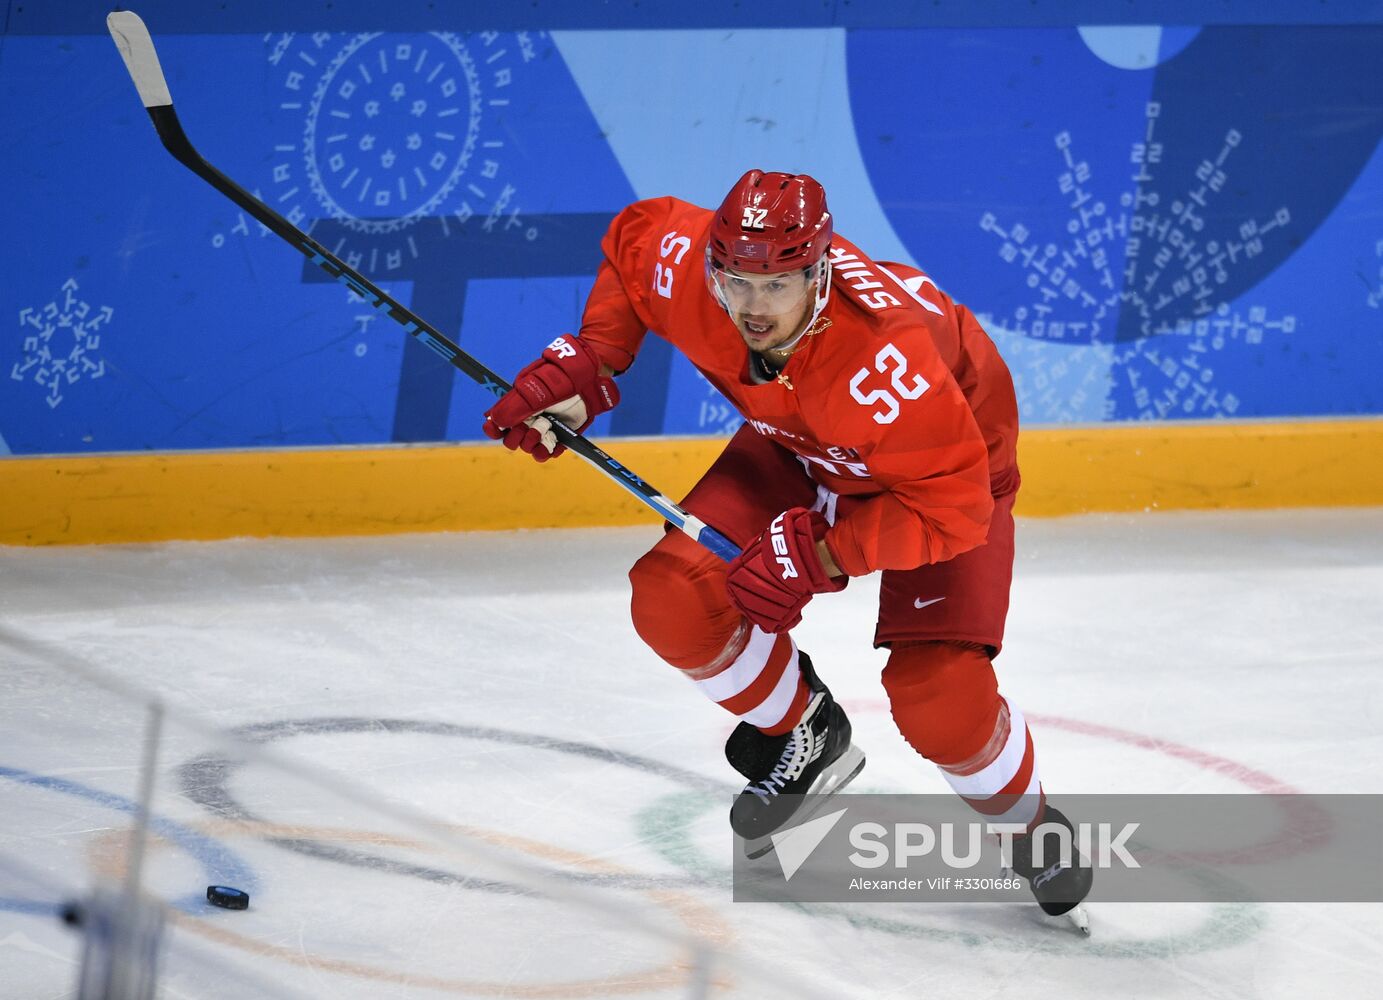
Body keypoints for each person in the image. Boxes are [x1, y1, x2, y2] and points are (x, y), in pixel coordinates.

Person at [482, 170, 1091, 923]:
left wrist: (823, 556)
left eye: (775, 286)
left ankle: (1028, 825)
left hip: (939, 479)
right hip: (803, 445)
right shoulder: (699, 273)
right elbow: (632, 238)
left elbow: (953, 511)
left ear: (820, 270)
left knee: (938, 704)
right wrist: (594, 361)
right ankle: (807, 732)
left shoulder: (885, 368)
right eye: (736, 282)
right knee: (673, 598)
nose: (752, 308)